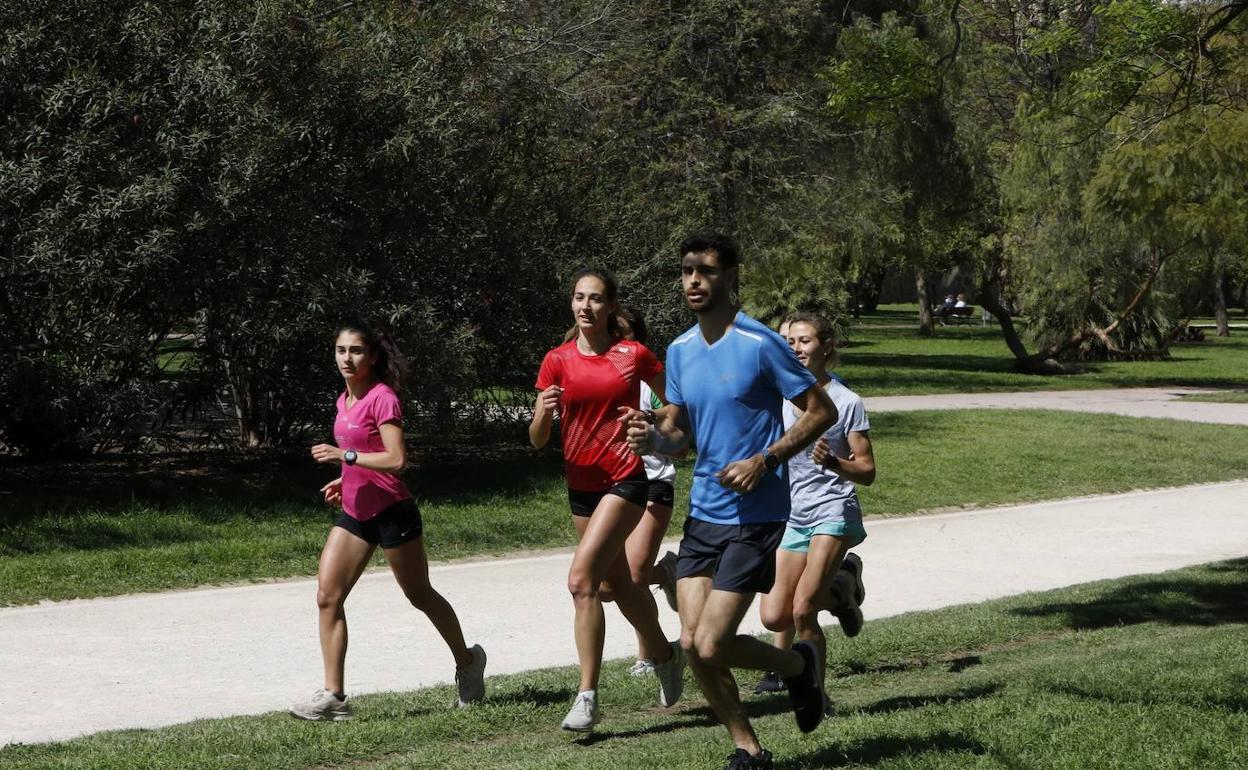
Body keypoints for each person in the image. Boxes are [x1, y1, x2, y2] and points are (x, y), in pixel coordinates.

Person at [623, 232, 838, 770]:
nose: (694, 280)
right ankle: (749, 749)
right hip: (705, 514)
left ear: (731, 278)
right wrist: (653, 438)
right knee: (693, 645)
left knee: (713, 644)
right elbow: (680, 433)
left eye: (707, 271)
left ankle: (795, 667)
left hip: (758, 515)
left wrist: (764, 460)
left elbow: (820, 411)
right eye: (687, 271)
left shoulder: (761, 343)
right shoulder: (679, 351)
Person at [292, 320, 486, 721]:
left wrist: (343, 458)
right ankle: (334, 697)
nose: (347, 358)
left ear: (373, 357)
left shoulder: (383, 398)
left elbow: (396, 461)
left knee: (420, 595)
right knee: (328, 596)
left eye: (356, 351)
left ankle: (468, 662)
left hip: (392, 512)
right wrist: (343, 480)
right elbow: (364, 456)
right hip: (355, 511)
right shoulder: (343, 401)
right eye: (341, 350)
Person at [529, 269, 685, 733]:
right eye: (579, 297)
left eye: (595, 299)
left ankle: (588, 696)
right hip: (580, 486)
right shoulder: (555, 360)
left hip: (626, 480)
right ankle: (665, 654)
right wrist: (542, 412)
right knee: (614, 586)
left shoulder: (631, 354)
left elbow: (677, 403)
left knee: (582, 582)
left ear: (611, 306)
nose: (585, 307)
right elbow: (538, 440)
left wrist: (650, 416)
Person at [755, 311, 876, 702]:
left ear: (826, 346)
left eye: (804, 341)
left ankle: (817, 697)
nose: (796, 349)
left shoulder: (846, 401)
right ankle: (841, 589)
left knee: (803, 611)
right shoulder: (780, 398)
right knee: (774, 616)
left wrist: (834, 463)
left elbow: (868, 470)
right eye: (790, 343)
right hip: (794, 514)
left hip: (833, 510)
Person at [616, 308, 681, 678]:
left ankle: (650, 655)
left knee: (635, 577)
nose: (619, 342)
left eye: (626, 335)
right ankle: (669, 572)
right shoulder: (599, 377)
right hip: (613, 487)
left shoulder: (651, 383)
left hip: (654, 481)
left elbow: (679, 434)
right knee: (611, 585)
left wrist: (651, 419)